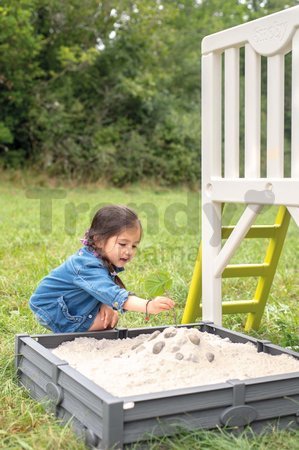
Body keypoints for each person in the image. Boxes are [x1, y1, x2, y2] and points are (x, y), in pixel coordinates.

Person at [29, 205, 175, 333]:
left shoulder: (101, 256)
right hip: (52, 308)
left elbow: (102, 286)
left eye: (134, 246)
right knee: (107, 322)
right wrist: (149, 305)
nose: (129, 251)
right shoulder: (87, 265)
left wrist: (103, 302)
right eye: (123, 244)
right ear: (99, 240)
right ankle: (70, 333)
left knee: (110, 316)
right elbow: (113, 293)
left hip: (69, 302)